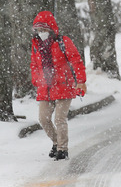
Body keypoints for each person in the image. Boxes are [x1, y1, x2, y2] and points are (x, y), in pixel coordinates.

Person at [30, 11, 87, 161]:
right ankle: (56, 142)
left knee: (59, 119)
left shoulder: (63, 42)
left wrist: (81, 81)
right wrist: (37, 79)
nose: (41, 33)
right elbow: (34, 65)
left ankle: (62, 149)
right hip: (45, 87)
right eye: (39, 30)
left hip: (63, 85)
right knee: (43, 118)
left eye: (44, 30)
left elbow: (76, 61)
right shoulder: (36, 45)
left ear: (51, 29)